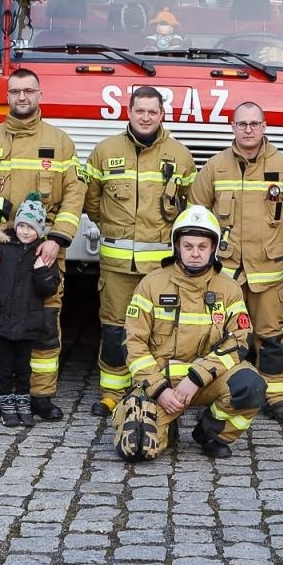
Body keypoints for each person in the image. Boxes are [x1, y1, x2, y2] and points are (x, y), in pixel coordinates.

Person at [0, 69, 85, 421]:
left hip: (42, 251)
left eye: (29, 90)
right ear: (7, 96)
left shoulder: (60, 142)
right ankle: (6, 395)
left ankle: (41, 397)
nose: (22, 97)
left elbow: (75, 195)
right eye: (15, 91)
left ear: (39, 93)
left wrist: (58, 240)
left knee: (45, 325)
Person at [113, 205, 265, 460]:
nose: (195, 253)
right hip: (162, 383)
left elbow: (240, 340)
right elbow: (133, 343)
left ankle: (211, 433)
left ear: (213, 249)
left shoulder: (229, 289)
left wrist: (195, 379)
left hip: (205, 381)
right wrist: (160, 391)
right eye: (188, 246)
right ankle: (166, 427)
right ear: (177, 247)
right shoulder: (151, 285)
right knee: (136, 449)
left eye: (202, 247)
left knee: (250, 386)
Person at [188, 102, 283, 422]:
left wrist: (272, 243)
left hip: (267, 271)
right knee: (217, 336)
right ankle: (216, 391)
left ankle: (277, 397)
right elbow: (197, 213)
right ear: (233, 127)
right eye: (242, 124)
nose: (249, 130)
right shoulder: (215, 167)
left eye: (255, 124)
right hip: (225, 273)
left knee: (270, 337)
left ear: (264, 126)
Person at [82, 86, 195, 418]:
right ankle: (111, 394)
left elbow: (190, 208)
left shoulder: (180, 155)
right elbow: (92, 203)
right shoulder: (104, 151)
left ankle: (152, 392)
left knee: (159, 331)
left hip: (160, 269)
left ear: (162, 115)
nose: (145, 117)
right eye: (139, 110)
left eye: (152, 111)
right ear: (128, 112)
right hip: (116, 266)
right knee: (115, 329)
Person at [0, 196, 62, 427]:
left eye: (31, 227)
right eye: (21, 225)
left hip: (28, 322)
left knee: (24, 367)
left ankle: (23, 403)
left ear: (40, 230)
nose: (25, 231)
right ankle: (6, 404)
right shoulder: (0, 248)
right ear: (15, 225)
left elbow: (49, 287)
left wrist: (42, 271)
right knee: (3, 366)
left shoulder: (41, 253)